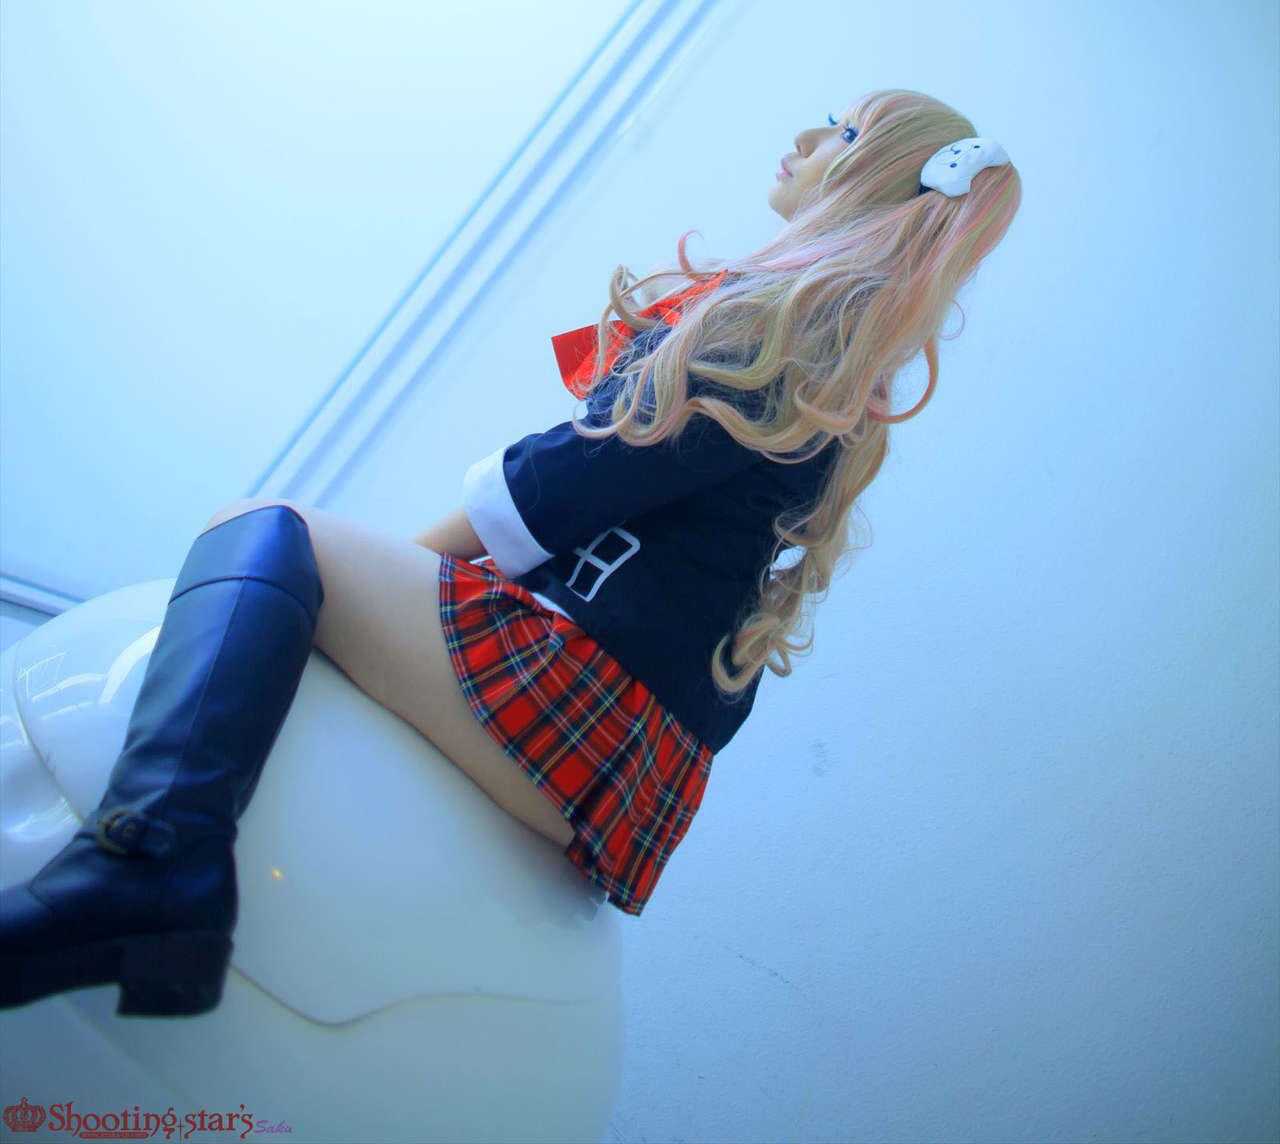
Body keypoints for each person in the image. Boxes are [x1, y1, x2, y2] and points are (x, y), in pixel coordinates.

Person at [0, 87, 1020, 1016]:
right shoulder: (836, 374)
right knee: (292, 557)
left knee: (266, 531)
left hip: (578, 696)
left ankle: (148, 871)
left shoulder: (774, 325)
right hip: (629, 774)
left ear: (872, 184)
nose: (803, 132)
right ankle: (151, 875)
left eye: (841, 132)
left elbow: (567, 482)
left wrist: (314, 581)